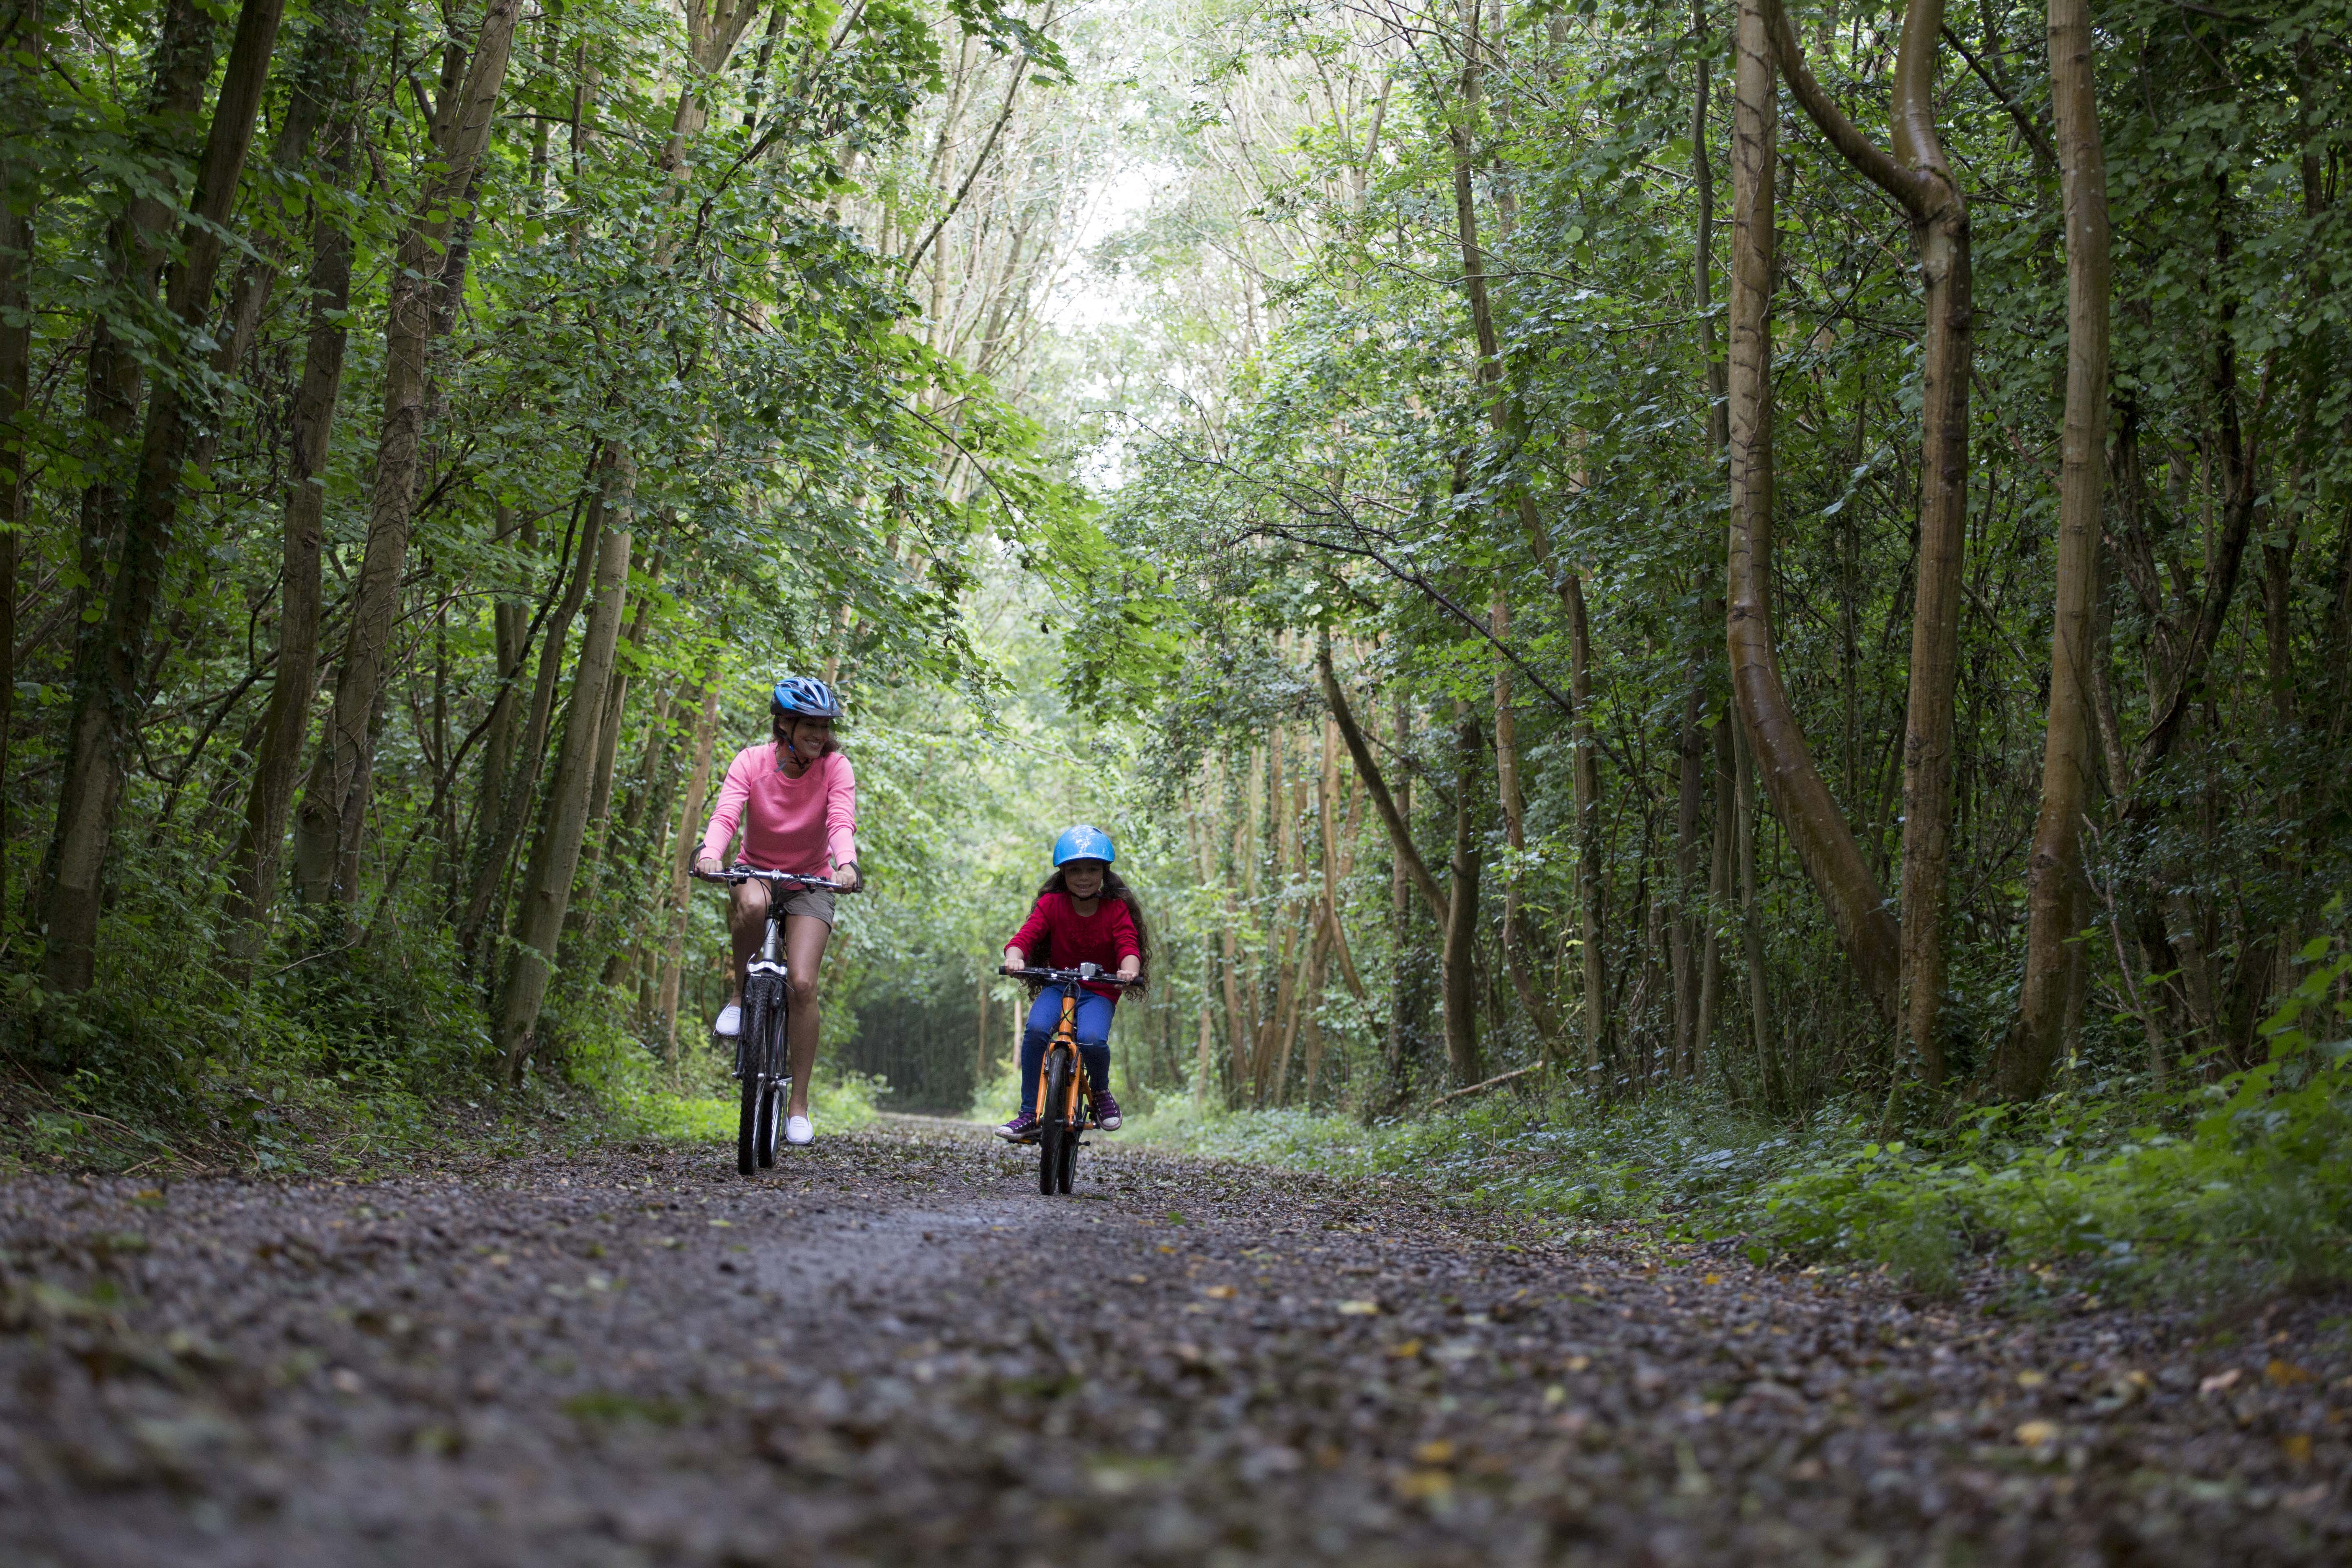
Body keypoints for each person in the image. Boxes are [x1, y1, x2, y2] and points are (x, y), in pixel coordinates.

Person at [695, 675, 860, 1147]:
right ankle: (739, 996)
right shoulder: (751, 761)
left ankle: (799, 1106)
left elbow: (840, 820)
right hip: (758, 871)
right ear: (783, 724)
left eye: (824, 725)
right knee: (748, 903)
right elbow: (727, 813)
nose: (818, 733)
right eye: (808, 723)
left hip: (811, 879)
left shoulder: (836, 768)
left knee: (803, 985)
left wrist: (846, 864)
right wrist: (711, 853)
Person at [996, 825, 1151, 1142]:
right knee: (1037, 1030)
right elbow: (1024, 938)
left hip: (1099, 992)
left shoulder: (1115, 908)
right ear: (1063, 873)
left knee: (1093, 1039)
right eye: (1075, 870)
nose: (1084, 877)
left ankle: (1101, 1092)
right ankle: (1029, 1113)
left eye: (1092, 869)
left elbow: (1128, 946)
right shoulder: (1052, 905)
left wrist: (1129, 970)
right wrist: (1015, 958)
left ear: (1104, 873)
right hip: (1060, 986)